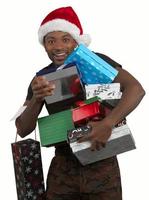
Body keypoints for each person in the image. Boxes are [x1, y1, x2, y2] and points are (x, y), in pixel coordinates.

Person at [15, 6, 145, 200]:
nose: (58, 47)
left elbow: (136, 90)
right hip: (63, 169)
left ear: (76, 42)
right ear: (44, 45)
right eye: (51, 41)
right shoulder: (41, 79)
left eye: (65, 39)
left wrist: (107, 123)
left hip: (102, 164)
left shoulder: (96, 62)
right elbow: (22, 129)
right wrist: (36, 98)